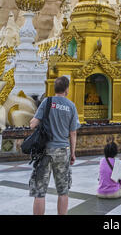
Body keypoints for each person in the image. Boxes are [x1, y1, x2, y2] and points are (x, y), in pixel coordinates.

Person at [29, 75, 80, 215]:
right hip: (63, 150)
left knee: (40, 191)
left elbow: (33, 124)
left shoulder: (47, 102)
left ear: (55, 88)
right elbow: (73, 133)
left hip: (45, 151)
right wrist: (73, 153)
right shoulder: (71, 106)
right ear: (67, 89)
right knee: (63, 190)